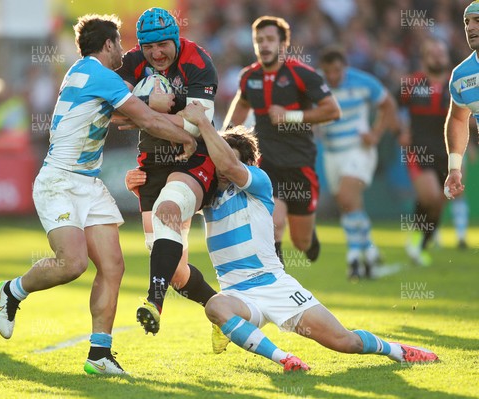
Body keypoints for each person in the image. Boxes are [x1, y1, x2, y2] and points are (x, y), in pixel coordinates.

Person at [0, 14, 198, 375]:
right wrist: (189, 138)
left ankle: (99, 354)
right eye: (119, 43)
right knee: (72, 264)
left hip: (88, 183)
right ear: (108, 45)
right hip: (58, 181)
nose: (124, 50)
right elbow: (147, 119)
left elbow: (128, 117)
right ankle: (12, 291)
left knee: (113, 266)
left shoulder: (86, 72)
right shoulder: (101, 75)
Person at [180, 101, 438, 371]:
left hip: (274, 286)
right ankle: (286, 360)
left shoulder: (258, 181)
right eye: (217, 161)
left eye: (229, 158)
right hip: (238, 294)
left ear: (247, 163)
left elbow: (230, 166)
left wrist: (204, 123)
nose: (220, 168)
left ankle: (398, 350)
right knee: (215, 307)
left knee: (346, 342)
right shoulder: (207, 193)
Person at [116, 7, 219, 335]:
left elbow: (196, 125)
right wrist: (150, 109)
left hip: (195, 158)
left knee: (167, 212)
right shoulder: (131, 62)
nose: (156, 53)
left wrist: (143, 110)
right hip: (152, 163)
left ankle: (153, 302)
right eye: (149, 47)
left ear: (175, 39)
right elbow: (108, 113)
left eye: (163, 45)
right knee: (175, 270)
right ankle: (224, 311)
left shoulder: (198, 62)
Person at [223, 16, 340, 265]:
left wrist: (291, 116)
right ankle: (277, 282)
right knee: (274, 223)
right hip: (266, 162)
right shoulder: (248, 77)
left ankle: (308, 236)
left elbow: (332, 110)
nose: (264, 45)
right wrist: (226, 138)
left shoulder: (302, 75)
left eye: (269, 40)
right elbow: (241, 104)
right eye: (259, 40)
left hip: (300, 163)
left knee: (302, 242)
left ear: (283, 44)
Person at [318, 47, 398, 279]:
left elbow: (388, 105)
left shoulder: (363, 82)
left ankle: (353, 257)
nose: (333, 76)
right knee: (349, 204)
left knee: (345, 198)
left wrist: (376, 134)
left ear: (345, 67)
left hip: (359, 150)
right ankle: (370, 251)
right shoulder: (316, 85)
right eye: (328, 71)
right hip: (332, 153)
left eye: (337, 70)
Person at [400, 38, 458, 266]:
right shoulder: (412, 83)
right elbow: (392, 105)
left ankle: (420, 240)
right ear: (424, 57)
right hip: (419, 150)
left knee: (439, 203)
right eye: (432, 52)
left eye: (441, 52)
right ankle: (418, 239)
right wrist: (401, 130)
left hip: (449, 151)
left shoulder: (457, 85)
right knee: (431, 196)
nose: (437, 56)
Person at [444, 1, 479, 202]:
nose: (470, 27)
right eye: (467, 22)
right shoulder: (461, 75)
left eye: (477, 21)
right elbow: (458, 119)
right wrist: (455, 168)